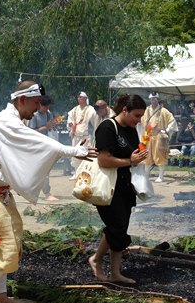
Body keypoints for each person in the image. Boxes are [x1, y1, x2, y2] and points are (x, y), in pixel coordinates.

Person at [0, 81, 95, 303]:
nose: (37, 108)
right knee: (5, 248)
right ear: (22, 100)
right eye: (35, 103)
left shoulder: (14, 120)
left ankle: (1, 295)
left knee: (10, 244)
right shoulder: (6, 121)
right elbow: (36, 142)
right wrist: (73, 150)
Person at [88, 94, 149, 283]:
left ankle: (115, 273)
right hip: (108, 187)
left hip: (125, 185)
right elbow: (103, 160)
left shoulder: (131, 129)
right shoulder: (107, 127)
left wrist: (138, 157)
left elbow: (130, 155)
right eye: (137, 115)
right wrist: (130, 161)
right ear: (125, 110)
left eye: (141, 116)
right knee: (117, 225)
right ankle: (96, 259)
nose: (139, 120)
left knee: (120, 228)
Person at [27, 95, 60, 201]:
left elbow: (49, 127)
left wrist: (52, 125)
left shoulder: (48, 113)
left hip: (45, 145)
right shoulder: (33, 114)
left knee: (45, 169)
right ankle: (29, 191)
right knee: (33, 170)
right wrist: (45, 127)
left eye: (48, 107)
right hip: (34, 146)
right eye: (45, 107)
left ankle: (47, 193)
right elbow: (30, 132)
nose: (47, 109)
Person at [141, 92, 176, 182]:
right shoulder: (146, 110)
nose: (154, 101)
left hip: (159, 136)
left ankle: (161, 176)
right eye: (152, 99)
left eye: (155, 99)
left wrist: (166, 130)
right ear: (150, 100)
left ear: (158, 100)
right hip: (147, 135)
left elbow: (172, 121)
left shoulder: (163, 110)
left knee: (160, 155)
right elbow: (140, 121)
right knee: (146, 155)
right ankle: (146, 175)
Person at [67, 91, 99, 176]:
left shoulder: (91, 109)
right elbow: (70, 117)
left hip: (86, 136)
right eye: (78, 97)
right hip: (76, 136)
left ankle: (86, 172)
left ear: (85, 98)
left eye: (80, 97)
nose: (79, 99)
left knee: (85, 154)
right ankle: (76, 172)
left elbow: (95, 122)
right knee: (75, 154)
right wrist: (70, 123)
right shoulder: (75, 109)